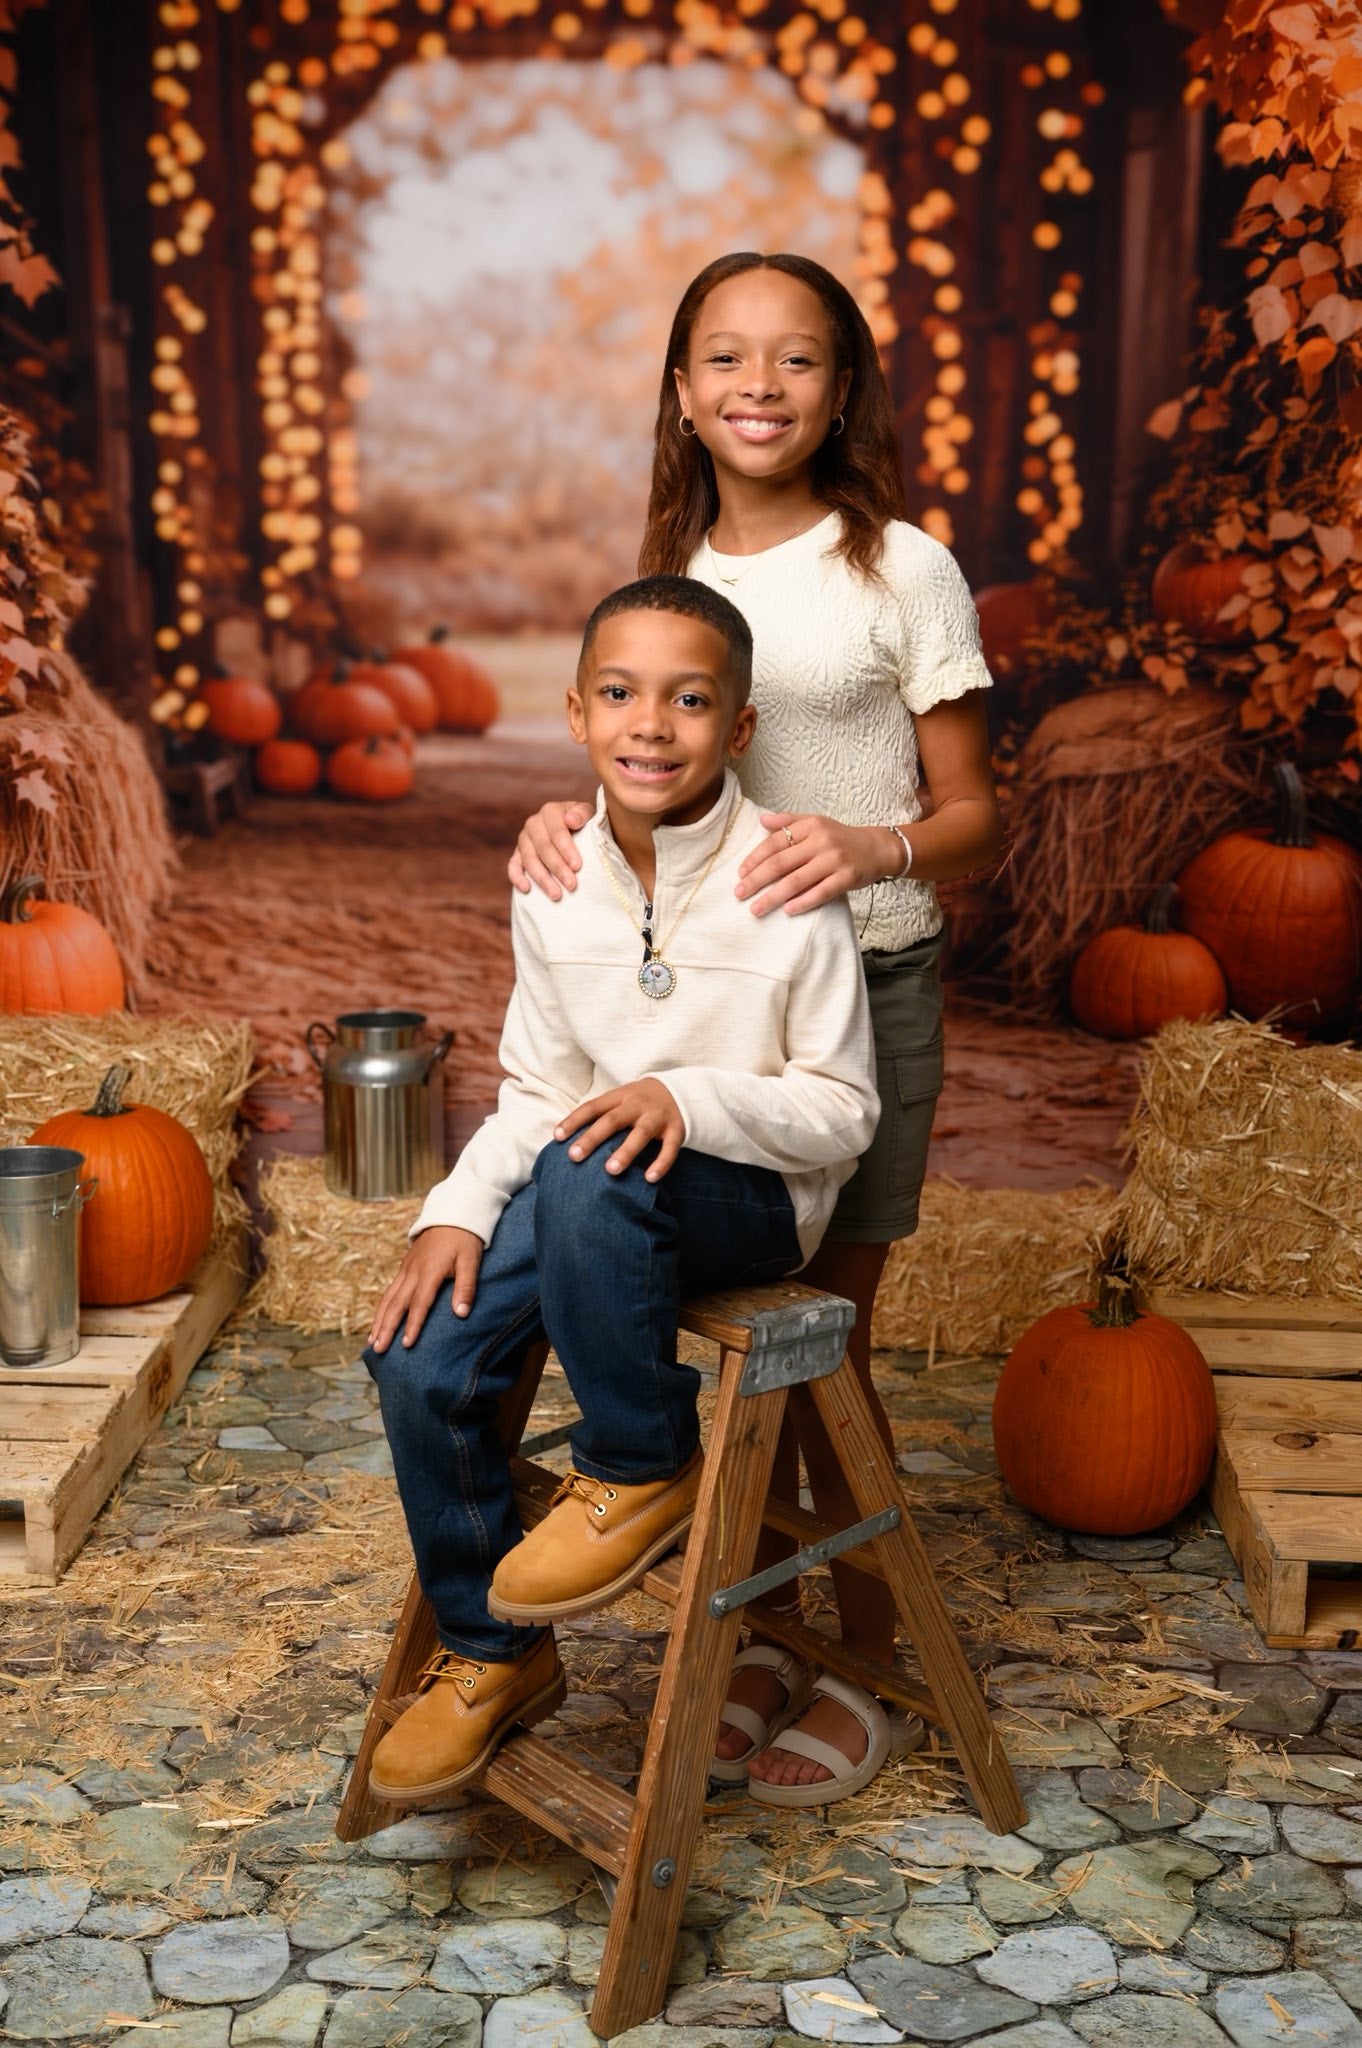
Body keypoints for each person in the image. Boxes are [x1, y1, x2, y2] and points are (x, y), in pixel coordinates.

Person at [510, 252, 1002, 1805]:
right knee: (744, 1376)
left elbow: (982, 813)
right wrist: (562, 818)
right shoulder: (682, 572)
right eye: (725, 358)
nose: (759, 387)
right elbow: (649, 760)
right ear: (680, 393)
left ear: (842, 387)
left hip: (862, 1000)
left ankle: (871, 1662)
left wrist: (876, 846)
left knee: (815, 1369)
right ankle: (764, 1642)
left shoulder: (901, 569)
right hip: (713, 1014)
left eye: (796, 360)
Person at [362, 573, 881, 1807]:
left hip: (749, 1196)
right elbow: (539, 1087)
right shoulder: (553, 878)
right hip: (594, 1184)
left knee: (595, 1162)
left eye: (689, 699)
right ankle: (492, 1657)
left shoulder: (788, 880)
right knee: (421, 1354)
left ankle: (643, 1459)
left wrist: (687, 1100)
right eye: (621, 694)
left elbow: (845, 1109)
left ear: (739, 726)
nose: (652, 723)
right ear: (578, 713)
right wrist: (453, 1209)